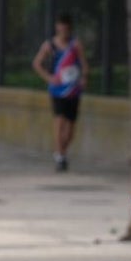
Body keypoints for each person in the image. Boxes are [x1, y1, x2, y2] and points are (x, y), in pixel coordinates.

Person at [31, 12, 88, 172]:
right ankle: (59, 155)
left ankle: (62, 150)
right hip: (57, 90)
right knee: (59, 121)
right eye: (60, 26)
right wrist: (49, 78)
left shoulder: (75, 45)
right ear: (57, 27)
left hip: (73, 89)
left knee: (70, 128)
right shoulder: (50, 45)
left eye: (66, 27)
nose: (63, 29)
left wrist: (84, 77)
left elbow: (84, 64)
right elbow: (36, 63)